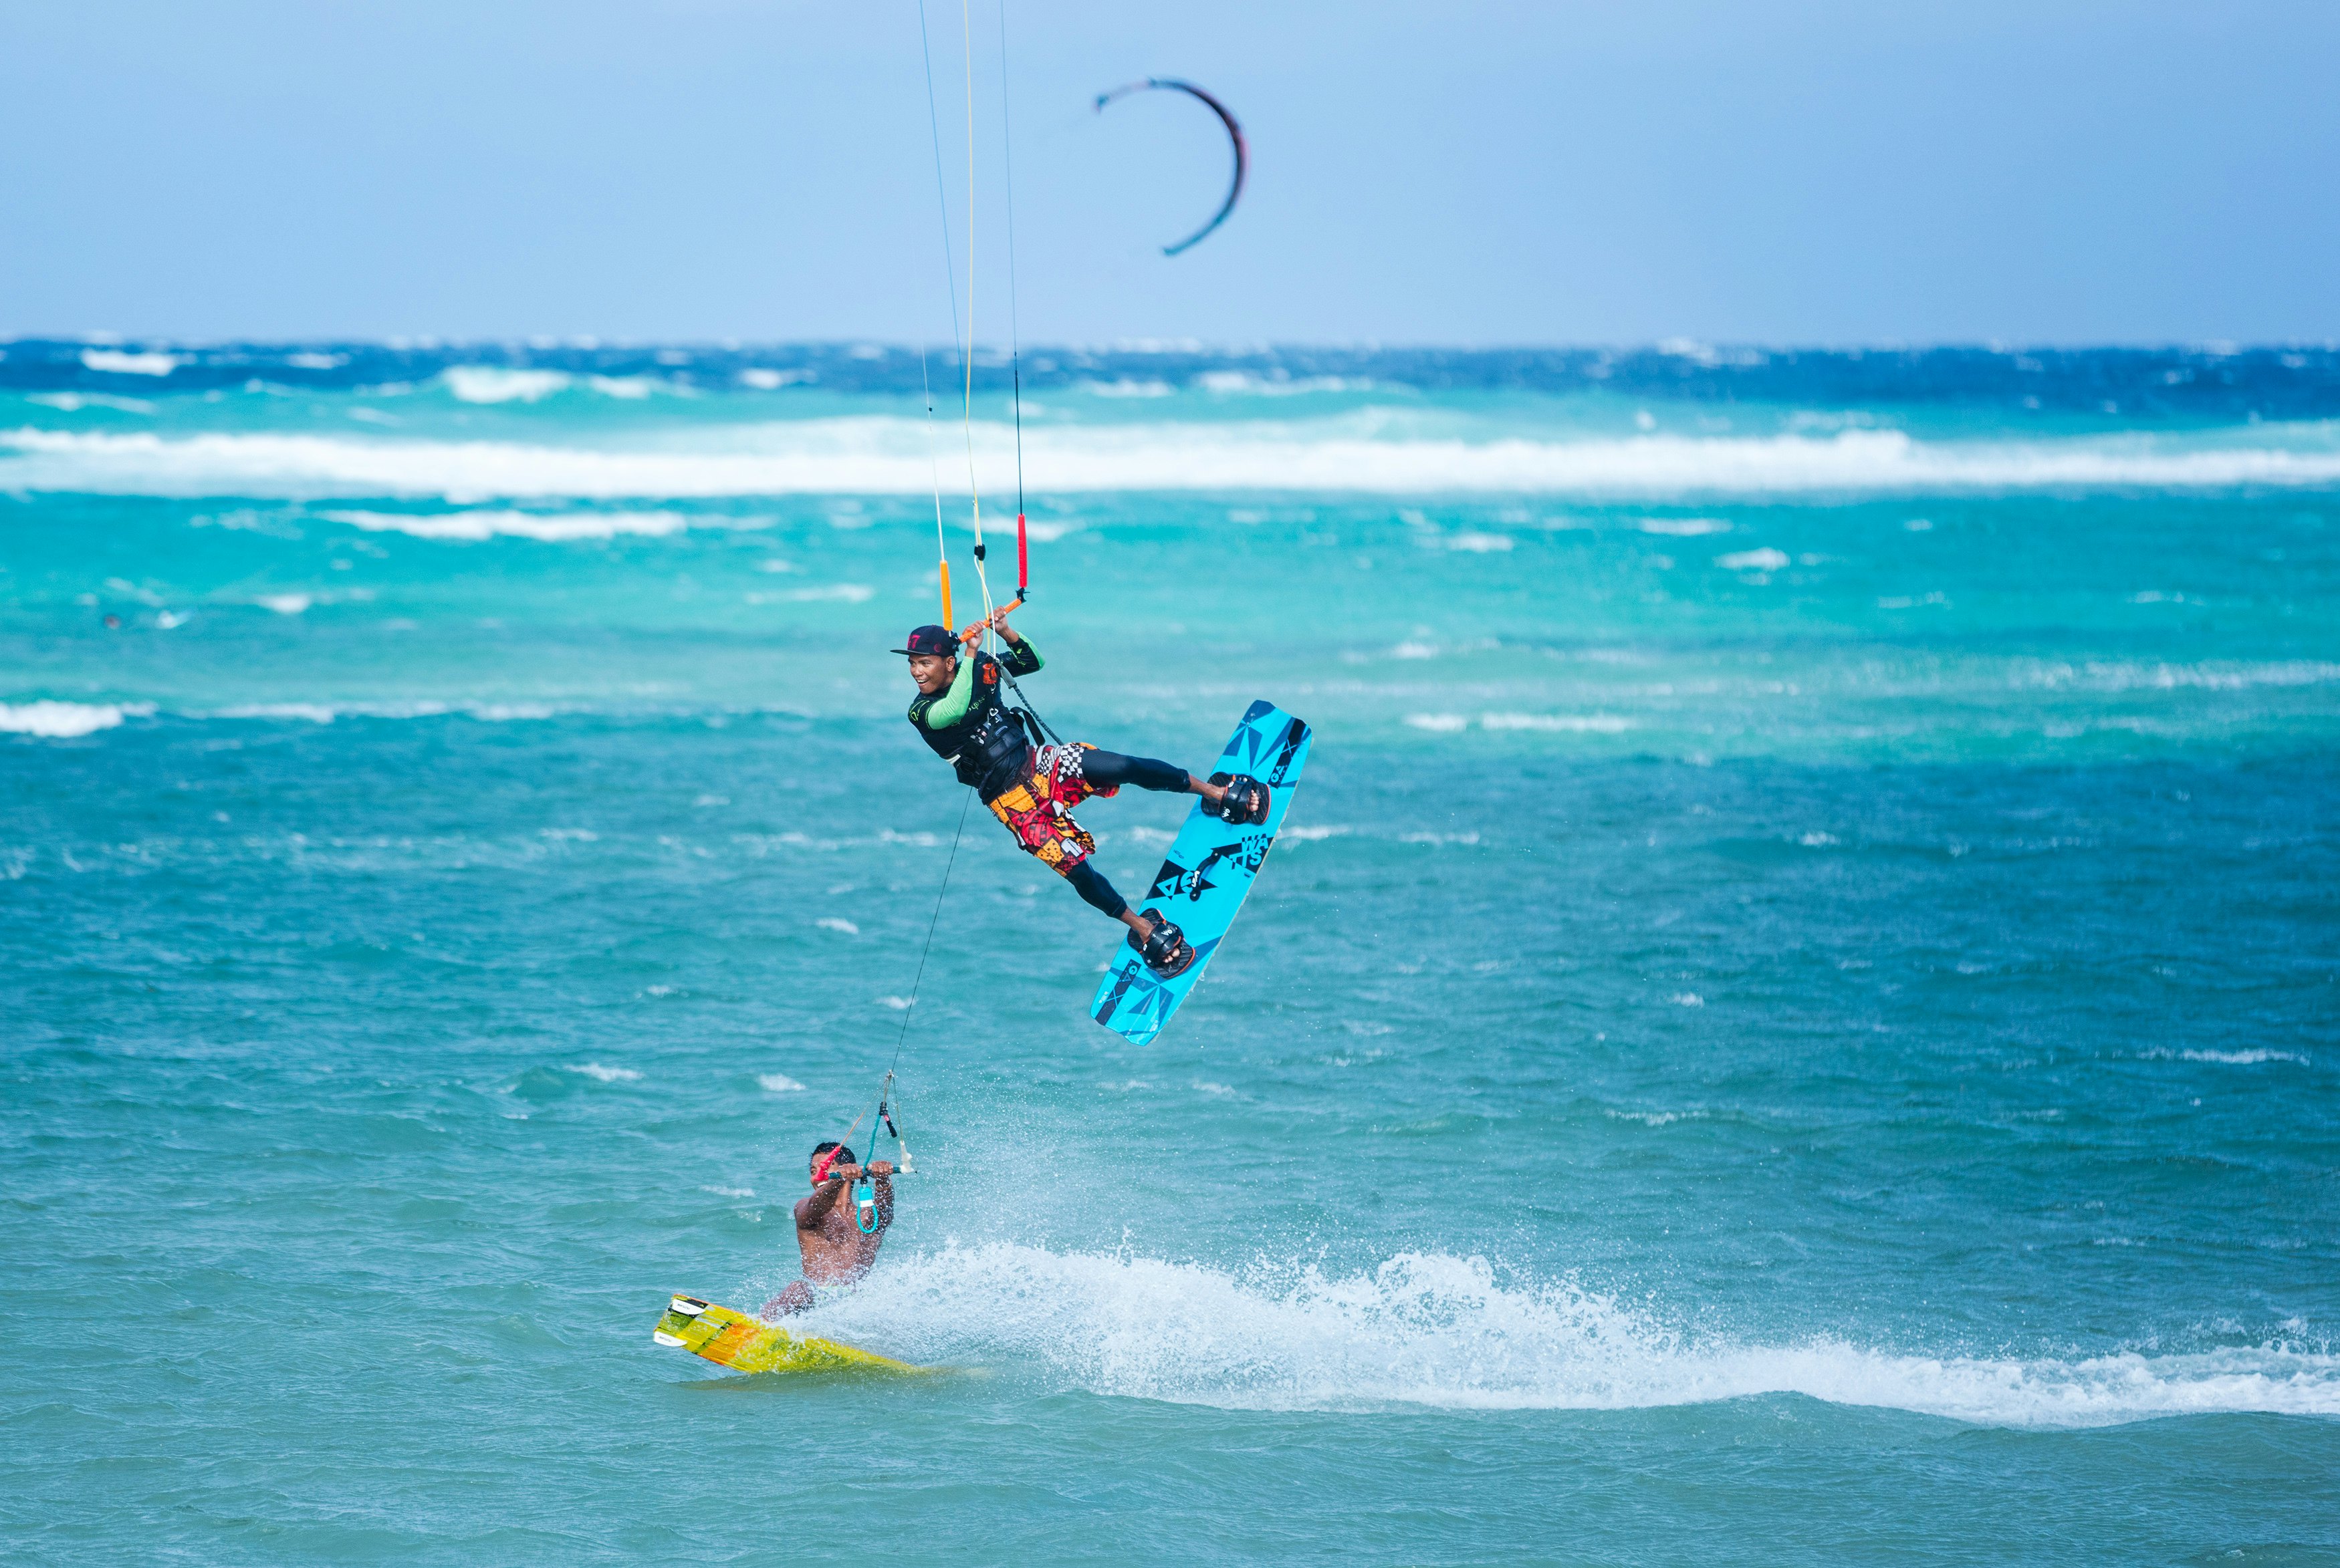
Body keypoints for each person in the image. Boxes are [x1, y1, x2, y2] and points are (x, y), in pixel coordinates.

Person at [897, 608, 1270, 978]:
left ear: (947, 662)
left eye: (924, 662)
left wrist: (1008, 631)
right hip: (1012, 803)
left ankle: (1215, 793)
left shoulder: (979, 669)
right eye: (913, 663)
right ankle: (1142, 927)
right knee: (1078, 871)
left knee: (1125, 766)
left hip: (1040, 763)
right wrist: (972, 656)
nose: (916, 671)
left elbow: (1032, 661)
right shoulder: (922, 710)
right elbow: (956, 707)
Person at [759, 1141, 896, 1319]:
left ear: (850, 1170)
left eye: (825, 1168)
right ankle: (758, 1326)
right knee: (799, 1289)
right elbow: (819, 1205)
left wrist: (883, 1179)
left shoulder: (868, 1218)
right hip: (814, 1301)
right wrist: (837, 1180)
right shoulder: (805, 1208)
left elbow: (885, 1211)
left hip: (855, 1307)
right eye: (813, 1171)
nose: (817, 1177)